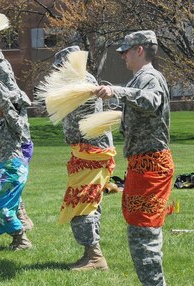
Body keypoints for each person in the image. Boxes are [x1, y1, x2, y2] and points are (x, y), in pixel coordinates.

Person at [94, 30, 174, 285]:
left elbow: (152, 101)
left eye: (125, 52)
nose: (122, 57)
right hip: (142, 164)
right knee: (141, 232)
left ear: (139, 50)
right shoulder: (137, 79)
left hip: (152, 164)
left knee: (143, 234)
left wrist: (116, 91)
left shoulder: (150, 77)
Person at [48, 46, 116, 271]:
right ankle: (92, 255)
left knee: (81, 203)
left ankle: (95, 257)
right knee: (89, 203)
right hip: (87, 152)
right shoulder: (80, 83)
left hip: (91, 153)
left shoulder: (81, 84)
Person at [0, 34, 35, 231]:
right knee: (7, 186)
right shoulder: (6, 108)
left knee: (11, 185)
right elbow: (0, 101)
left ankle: (20, 219)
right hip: (9, 150)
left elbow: (5, 98)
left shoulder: (13, 103)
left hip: (19, 148)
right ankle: (20, 217)